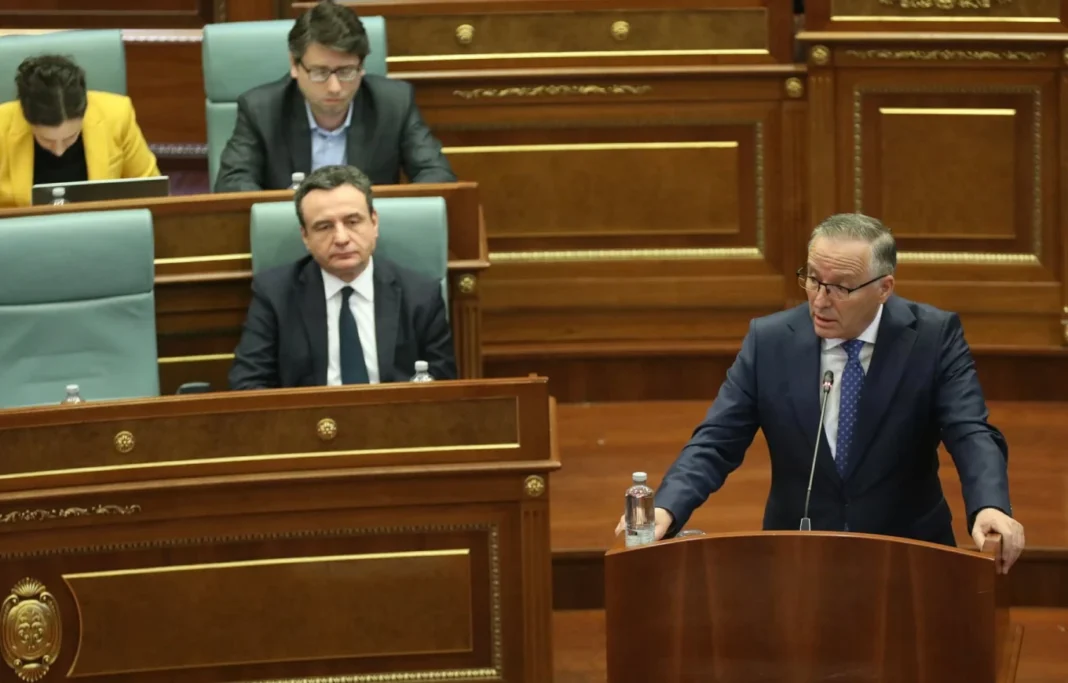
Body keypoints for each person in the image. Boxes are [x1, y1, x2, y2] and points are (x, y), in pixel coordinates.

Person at [616, 213, 1026, 573]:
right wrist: (667, 507)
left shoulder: (933, 338)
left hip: (908, 555)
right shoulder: (770, 341)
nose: (820, 300)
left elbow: (970, 431)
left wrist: (989, 504)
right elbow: (716, 441)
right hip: (797, 556)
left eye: (840, 288)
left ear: (884, 288)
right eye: (813, 279)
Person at [229, 164, 457, 389]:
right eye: (324, 227)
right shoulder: (275, 294)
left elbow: (443, 385)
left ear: (374, 223)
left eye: (352, 222)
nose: (341, 238)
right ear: (305, 237)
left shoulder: (420, 294)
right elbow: (248, 382)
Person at [214, 0, 456, 193]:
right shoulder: (261, 110)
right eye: (320, 72)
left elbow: (437, 176)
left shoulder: (394, 104)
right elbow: (232, 184)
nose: (334, 87)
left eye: (346, 71)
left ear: (362, 66)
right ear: (295, 65)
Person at [0, 55, 160, 208]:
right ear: (26, 119)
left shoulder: (117, 115)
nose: (59, 151)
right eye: (46, 140)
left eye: (70, 137)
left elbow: (151, 191)